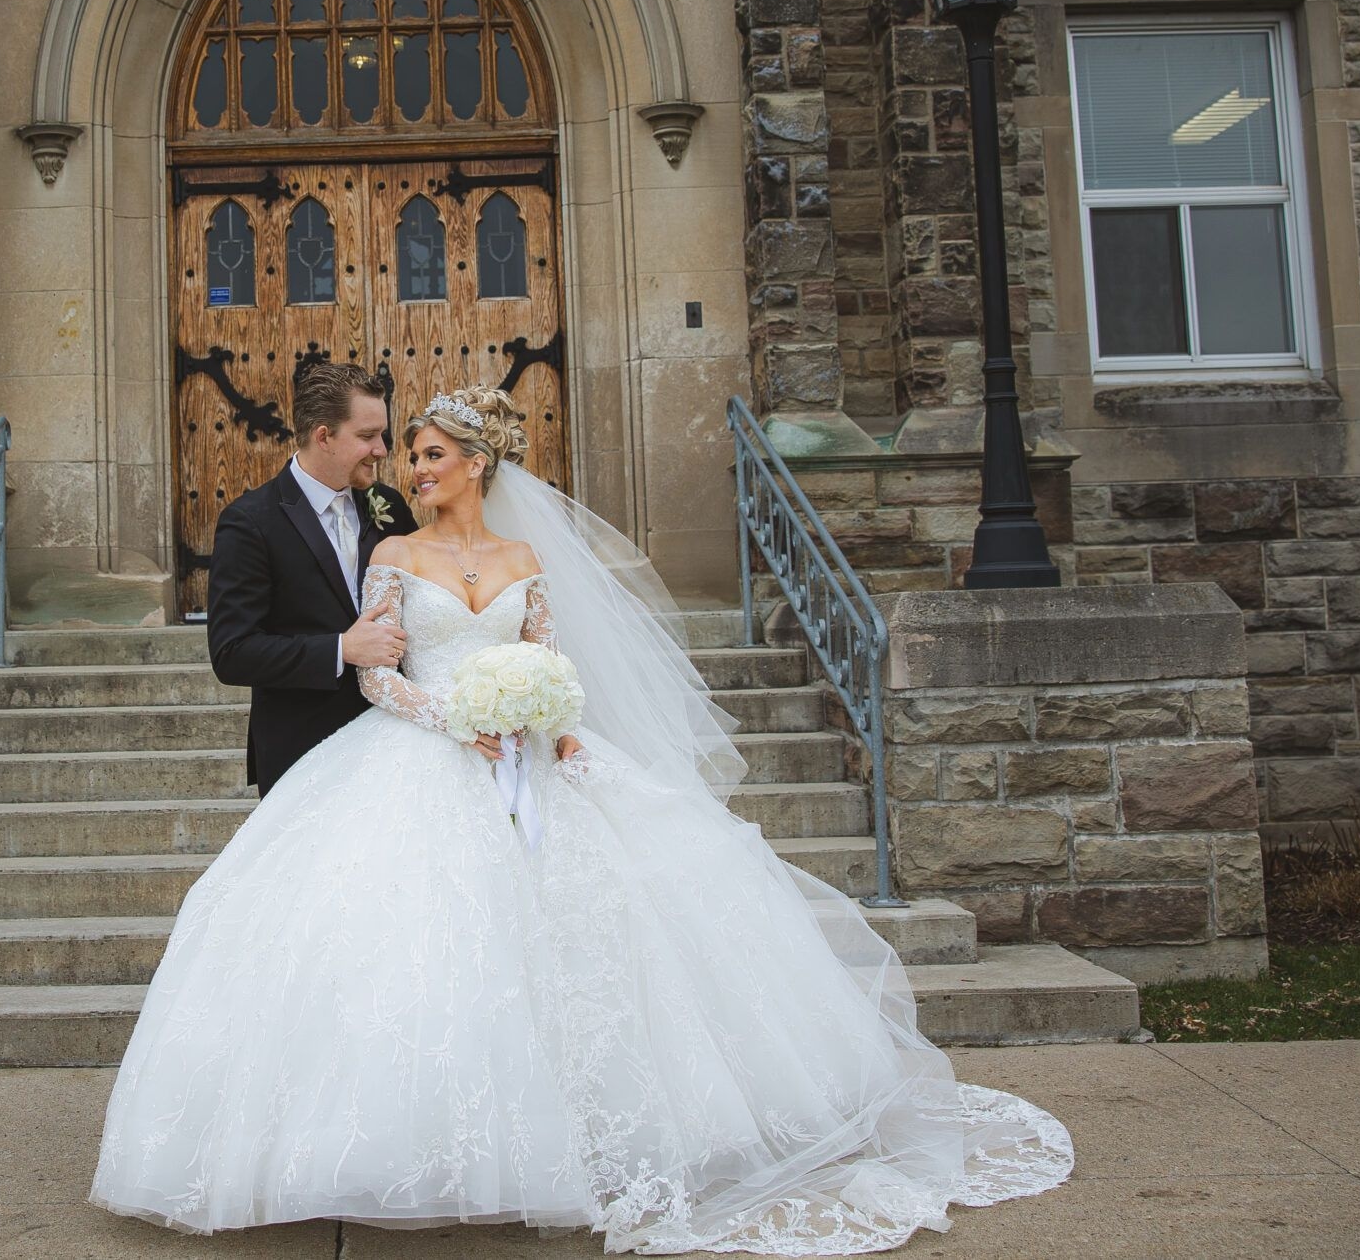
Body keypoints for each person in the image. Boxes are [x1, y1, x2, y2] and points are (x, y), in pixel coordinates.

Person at [94, 385, 1072, 1253]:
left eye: (420, 448)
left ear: (475, 464)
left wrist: (551, 726)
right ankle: (367, 1144)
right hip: (382, 756)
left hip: (526, 756)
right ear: (322, 434)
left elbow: (546, 657)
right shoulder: (290, 526)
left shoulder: (450, 531)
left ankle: (600, 1126)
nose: (397, 462)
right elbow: (326, 658)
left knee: (588, 933)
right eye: (382, 442)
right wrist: (440, 709)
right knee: (397, 953)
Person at [204, 360, 420, 796]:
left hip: (397, 746)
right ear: (323, 436)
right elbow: (232, 652)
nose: (382, 449)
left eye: (382, 434)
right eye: (367, 436)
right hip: (303, 754)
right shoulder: (250, 522)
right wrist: (342, 649)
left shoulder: (389, 506)